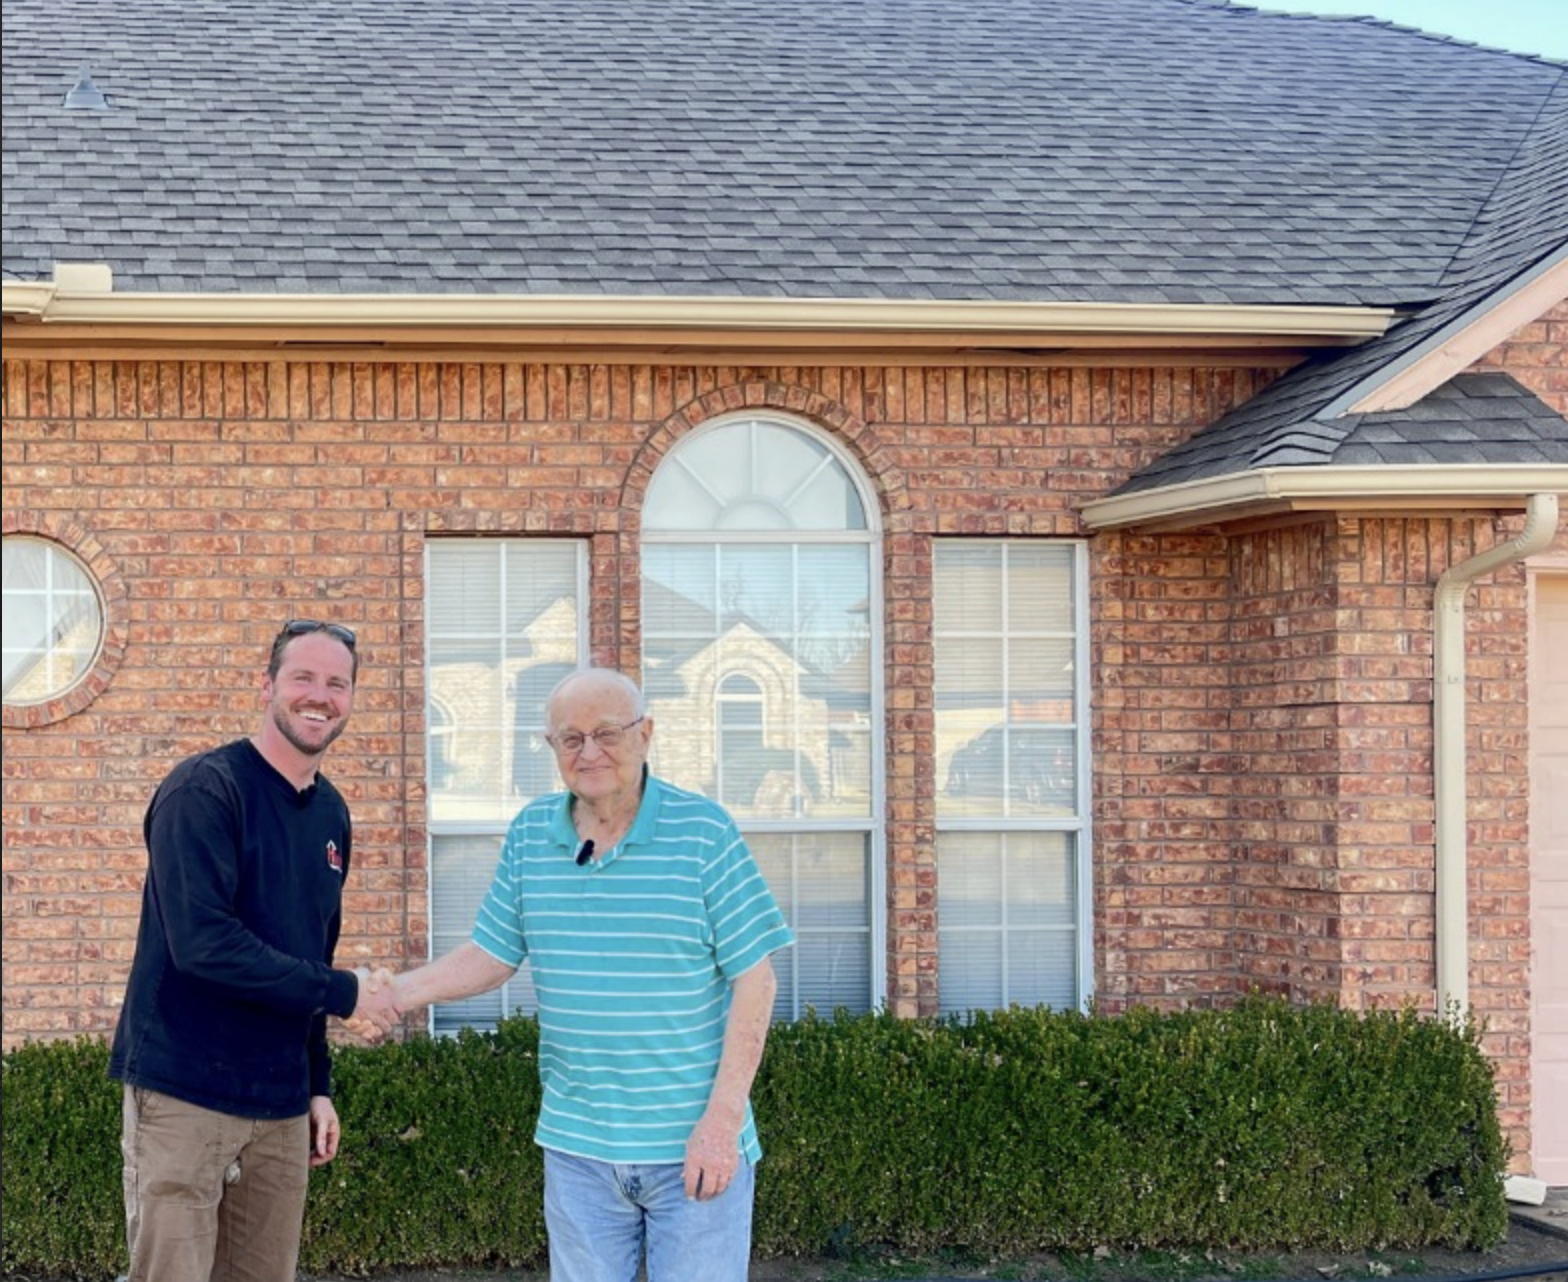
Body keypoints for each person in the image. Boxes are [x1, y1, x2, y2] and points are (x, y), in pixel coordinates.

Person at [379, 667, 793, 1282]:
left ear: (645, 734)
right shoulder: (530, 835)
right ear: (551, 747)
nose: (589, 751)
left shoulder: (704, 833)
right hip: (578, 1153)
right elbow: (492, 954)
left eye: (606, 733)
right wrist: (392, 994)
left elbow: (757, 979)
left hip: (693, 1144)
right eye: (570, 738)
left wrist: (722, 1121)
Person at [108, 619, 401, 1282]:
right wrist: (348, 994)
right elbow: (204, 945)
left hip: (281, 1106)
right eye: (303, 677)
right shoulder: (205, 790)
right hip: (185, 1093)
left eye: (337, 683)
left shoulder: (331, 814)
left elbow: (312, 953)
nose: (320, 695)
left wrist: (318, 1085)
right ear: (267, 686)